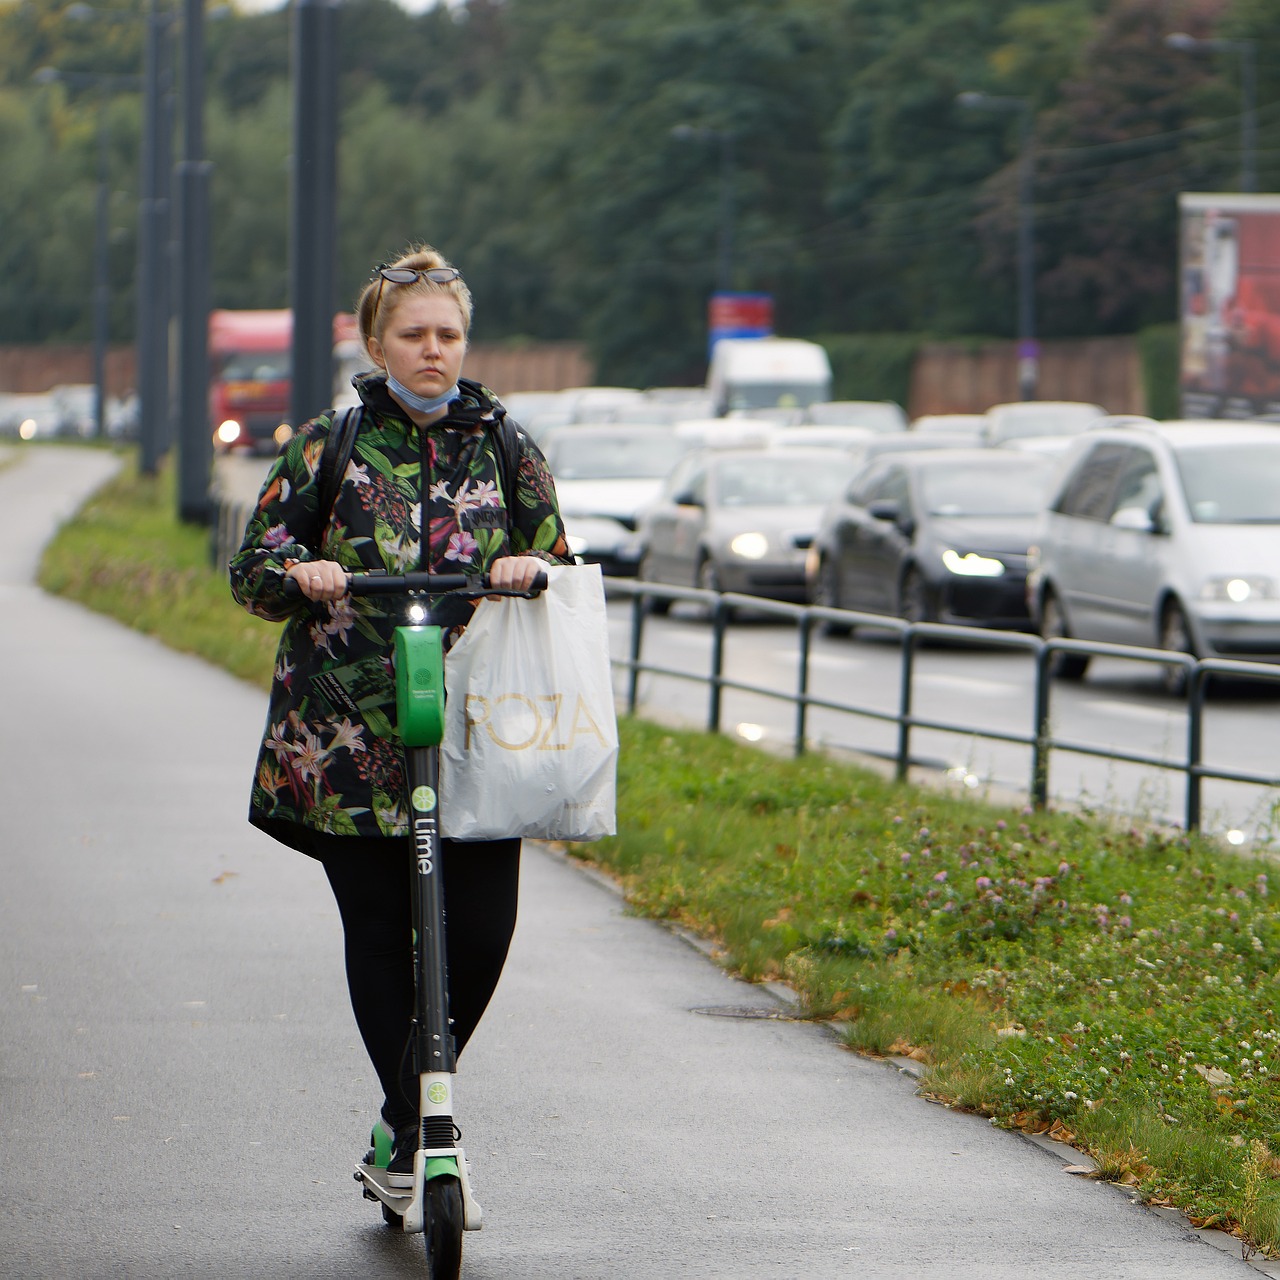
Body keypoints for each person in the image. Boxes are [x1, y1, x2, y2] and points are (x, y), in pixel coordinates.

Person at [229, 244, 572, 1185]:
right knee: (380, 931)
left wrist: (528, 570)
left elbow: (562, 566)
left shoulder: (508, 448)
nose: (433, 352)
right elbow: (250, 572)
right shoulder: (323, 446)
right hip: (345, 736)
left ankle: (403, 1118)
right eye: (414, 335)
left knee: (484, 930)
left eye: (448, 335)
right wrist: (300, 573)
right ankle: (424, 1129)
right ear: (377, 343)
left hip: (478, 728)